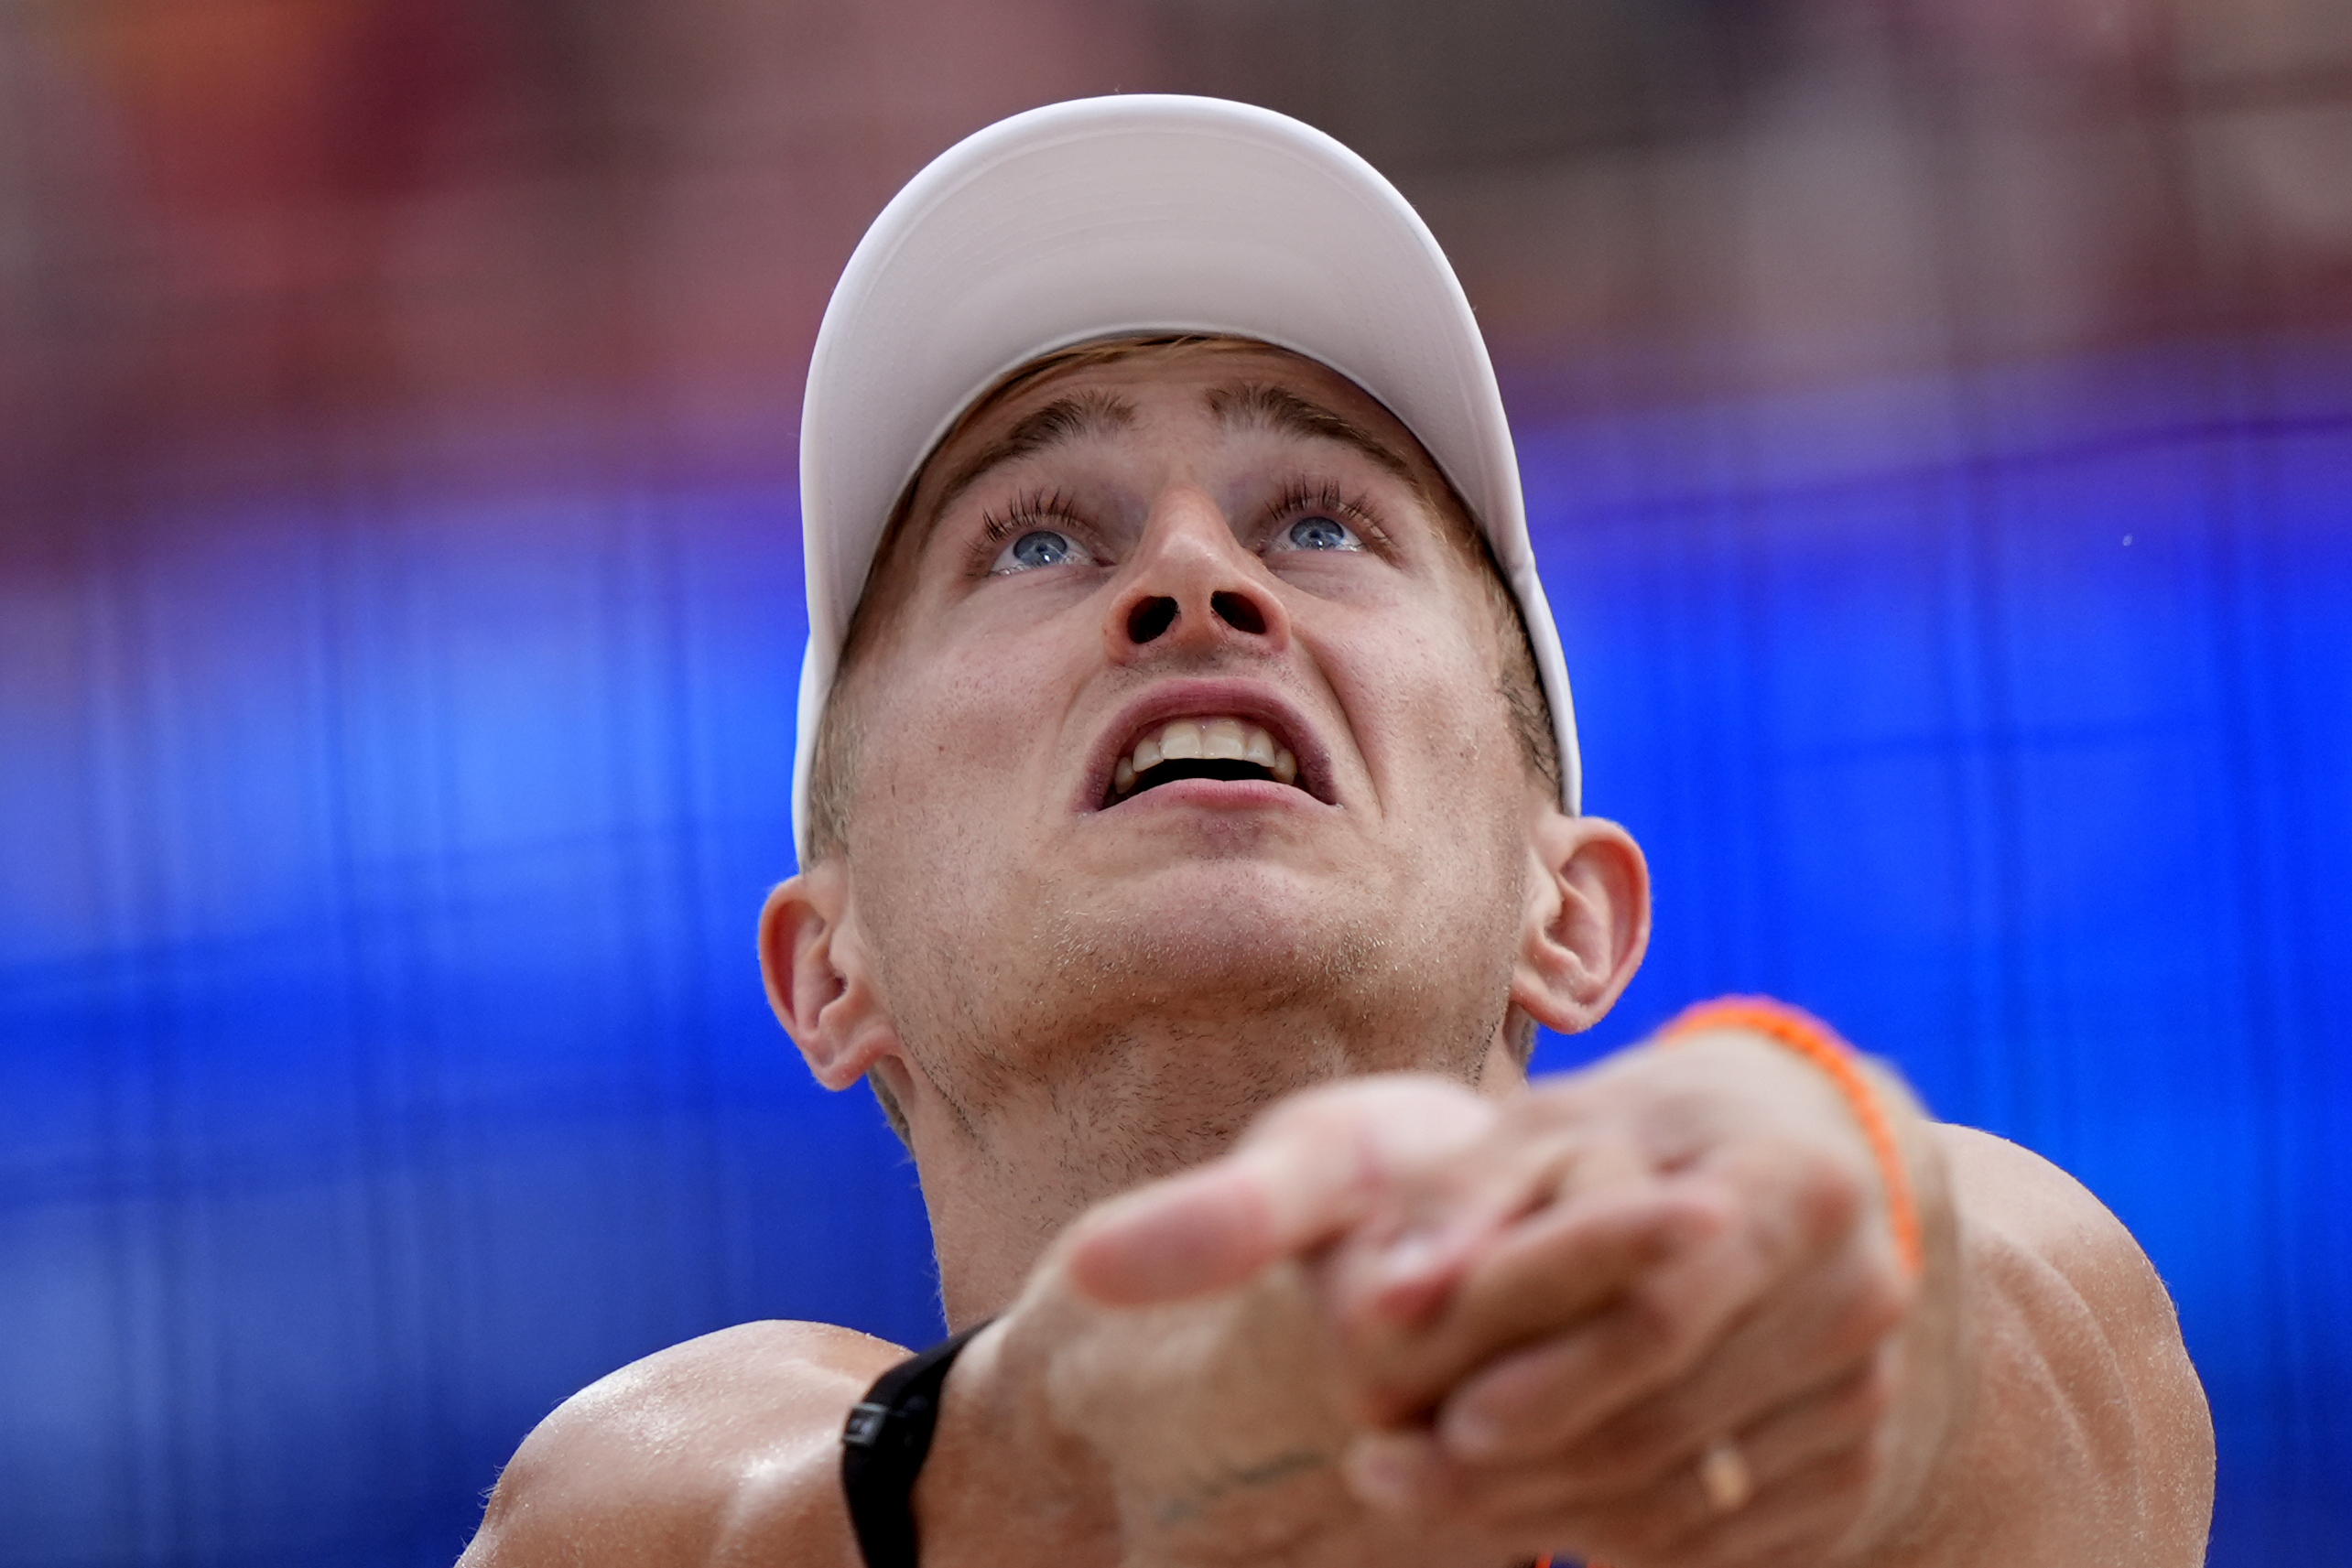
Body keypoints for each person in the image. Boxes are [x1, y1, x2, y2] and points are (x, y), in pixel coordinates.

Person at [458, 96, 2212, 1568]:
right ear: (828, 967)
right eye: (1033, 541)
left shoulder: (1929, 1284)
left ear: (1573, 913)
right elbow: (657, 1509)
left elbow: (2043, 1345)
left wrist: (1820, 1277)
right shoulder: (699, 1477)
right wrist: (1088, 1439)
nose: (1192, 580)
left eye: (1319, 523)